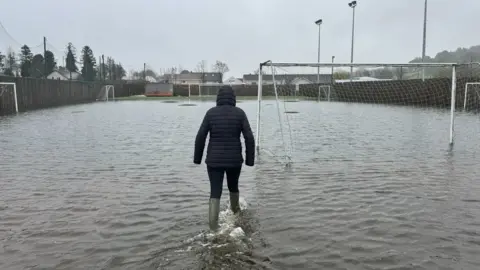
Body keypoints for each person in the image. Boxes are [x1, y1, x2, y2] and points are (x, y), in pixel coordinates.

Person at [193, 85, 255, 231]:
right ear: (233, 98)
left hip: (214, 161)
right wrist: (249, 161)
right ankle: (236, 216)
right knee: (233, 187)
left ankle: (213, 228)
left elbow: (200, 136)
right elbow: (249, 138)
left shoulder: (211, 113)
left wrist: (197, 158)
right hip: (234, 161)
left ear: (218, 98)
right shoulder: (240, 113)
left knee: (215, 191)